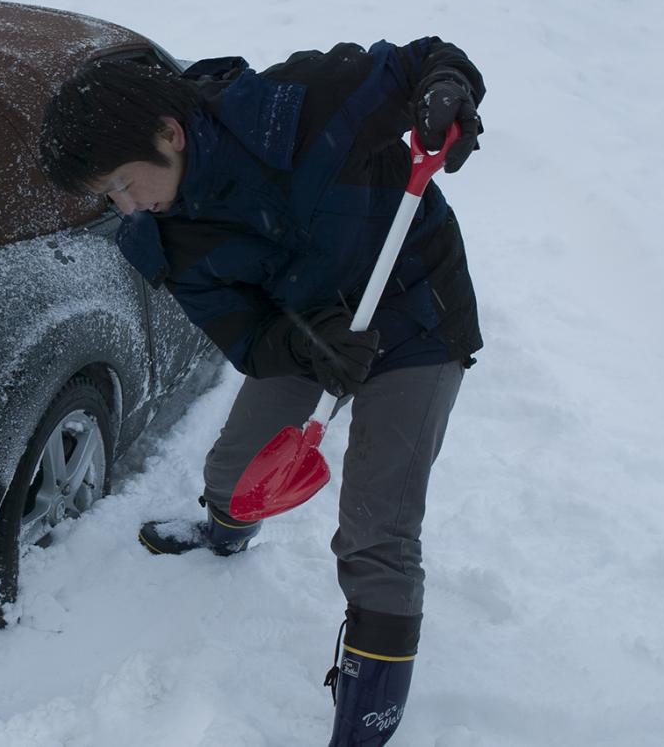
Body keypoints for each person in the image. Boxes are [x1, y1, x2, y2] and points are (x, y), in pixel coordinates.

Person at [38, 37, 484, 745]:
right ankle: (224, 531)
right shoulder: (166, 240)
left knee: (377, 533)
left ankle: (361, 726)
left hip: (417, 307)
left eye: (124, 182)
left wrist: (450, 85)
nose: (126, 207)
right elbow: (246, 336)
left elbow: (419, 64)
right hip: (310, 324)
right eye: (107, 196)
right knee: (234, 470)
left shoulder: (294, 109)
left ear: (169, 133)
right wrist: (308, 343)